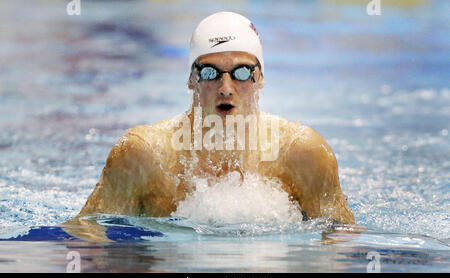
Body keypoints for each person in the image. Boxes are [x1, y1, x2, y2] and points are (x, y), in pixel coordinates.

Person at [70, 11, 355, 226]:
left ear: (261, 78)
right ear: (191, 79)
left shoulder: (302, 153)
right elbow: (88, 236)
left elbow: (341, 245)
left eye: (242, 72)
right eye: (210, 73)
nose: (226, 88)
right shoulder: (145, 154)